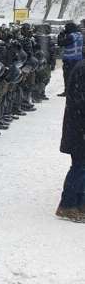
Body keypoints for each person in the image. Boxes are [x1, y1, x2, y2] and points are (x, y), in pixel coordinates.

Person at [57, 59, 85, 222]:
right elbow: (81, 102)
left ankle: (80, 203)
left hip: (79, 127)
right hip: (79, 129)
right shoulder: (82, 69)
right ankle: (67, 206)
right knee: (80, 167)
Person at [57, 22, 83, 97]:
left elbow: (60, 43)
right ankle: (75, 91)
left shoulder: (71, 36)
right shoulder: (80, 35)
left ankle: (68, 92)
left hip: (70, 60)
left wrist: (61, 35)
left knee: (68, 77)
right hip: (78, 59)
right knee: (76, 76)